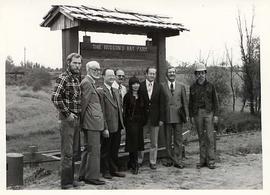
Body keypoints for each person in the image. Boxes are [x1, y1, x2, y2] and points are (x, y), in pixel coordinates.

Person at [51, 53, 85, 189]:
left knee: (74, 152)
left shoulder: (76, 79)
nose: (77, 65)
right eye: (75, 63)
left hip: (76, 119)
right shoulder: (63, 78)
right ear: (68, 64)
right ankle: (65, 183)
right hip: (67, 120)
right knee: (67, 152)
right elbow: (55, 97)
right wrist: (67, 114)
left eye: (79, 63)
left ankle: (71, 180)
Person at [78, 61, 105, 185]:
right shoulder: (87, 83)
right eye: (95, 69)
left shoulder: (90, 83)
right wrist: (81, 123)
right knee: (94, 150)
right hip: (91, 123)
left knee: (88, 149)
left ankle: (83, 174)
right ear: (88, 70)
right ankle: (92, 177)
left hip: (92, 122)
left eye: (99, 69)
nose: (98, 71)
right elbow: (83, 104)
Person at [189, 62, 219, 169]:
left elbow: (215, 101)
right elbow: (190, 103)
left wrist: (216, 115)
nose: (200, 75)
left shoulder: (211, 86)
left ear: (205, 73)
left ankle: (211, 160)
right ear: (196, 74)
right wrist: (191, 116)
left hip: (209, 113)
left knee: (210, 137)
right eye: (198, 73)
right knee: (201, 137)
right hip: (197, 114)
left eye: (202, 73)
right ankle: (202, 161)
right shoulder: (192, 87)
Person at [98, 68, 126, 179]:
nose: (111, 77)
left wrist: (121, 124)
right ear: (103, 76)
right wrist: (104, 128)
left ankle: (114, 169)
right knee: (106, 150)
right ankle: (105, 171)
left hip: (117, 125)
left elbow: (119, 108)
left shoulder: (116, 90)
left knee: (115, 149)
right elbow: (101, 111)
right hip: (108, 126)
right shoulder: (100, 91)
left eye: (113, 75)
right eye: (109, 75)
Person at [160, 66, 189, 169]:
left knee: (178, 139)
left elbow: (185, 102)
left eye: (173, 72)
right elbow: (161, 103)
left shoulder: (181, 86)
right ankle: (169, 159)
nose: (171, 74)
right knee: (167, 139)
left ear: (175, 74)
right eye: (169, 72)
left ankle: (178, 160)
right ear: (167, 74)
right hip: (167, 116)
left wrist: (187, 114)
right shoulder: (162, 86)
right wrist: (161, 117)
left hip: (178, 116)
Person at [138, 67, 164, 170]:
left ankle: (152, 161)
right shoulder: (140, 86)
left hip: (155, 118)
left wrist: (161, 118)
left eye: (154, 74)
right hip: (143, 119)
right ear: (146, 74)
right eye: (150, 73)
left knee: (154, 142)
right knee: (141, 141)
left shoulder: (159, 87)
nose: (152, 75)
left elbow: (162, 104)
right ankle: (139, 160)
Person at [123, 76, 145, 175]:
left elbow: (145, 109)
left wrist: (143, 120)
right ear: (130, 85)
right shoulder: (127, 96)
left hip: (139, 123)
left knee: (137, 143)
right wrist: (127, 123)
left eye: (137, 83)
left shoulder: (141, 95)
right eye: (133, 84)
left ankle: (131, 162)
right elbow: (125, 111)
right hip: (131, 123)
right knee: (133, 143)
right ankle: (134, 164)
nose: (136, 86)